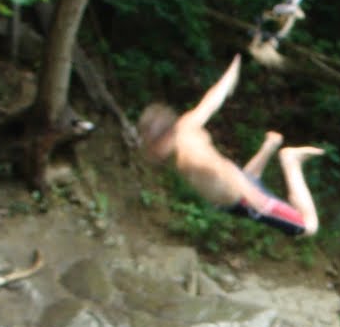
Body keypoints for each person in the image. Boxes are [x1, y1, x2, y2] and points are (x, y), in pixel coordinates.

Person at [137, 52, 322, 236]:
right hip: (233, 197)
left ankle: (291, 162)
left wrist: (253, 197)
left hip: (244, 200)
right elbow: (210, 102)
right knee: (249, 177)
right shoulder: (185, 126)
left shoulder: (190, 155)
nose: (153, 153)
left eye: (152, 147)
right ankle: (269, 146)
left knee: (308, 227)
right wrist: (230, 76)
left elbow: (222, 167)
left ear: (164, 137)